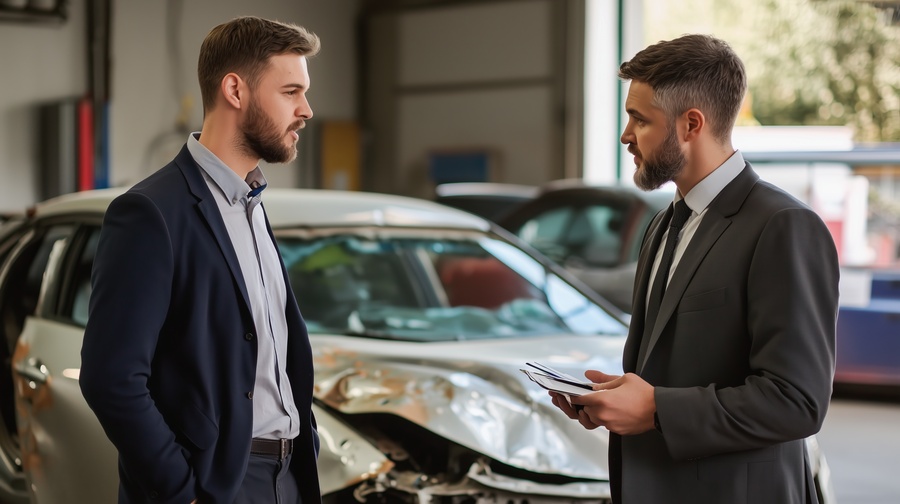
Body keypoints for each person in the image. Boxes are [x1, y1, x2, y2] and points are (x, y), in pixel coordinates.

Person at [550, 34, 839, 503]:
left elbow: (796, 402)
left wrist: (656, 409)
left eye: (639, 119)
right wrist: (618, 401)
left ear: (691, 124)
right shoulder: (664, 223)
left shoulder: (783, 225)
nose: (626, 135)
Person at [80, 16, 322, 504]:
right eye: (291, 91)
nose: (307, 110)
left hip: (288, 478)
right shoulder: (150, 213)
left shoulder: (252, 205)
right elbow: (111, 378)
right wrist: (182, 491)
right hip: (216, 485)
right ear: (235, 89)